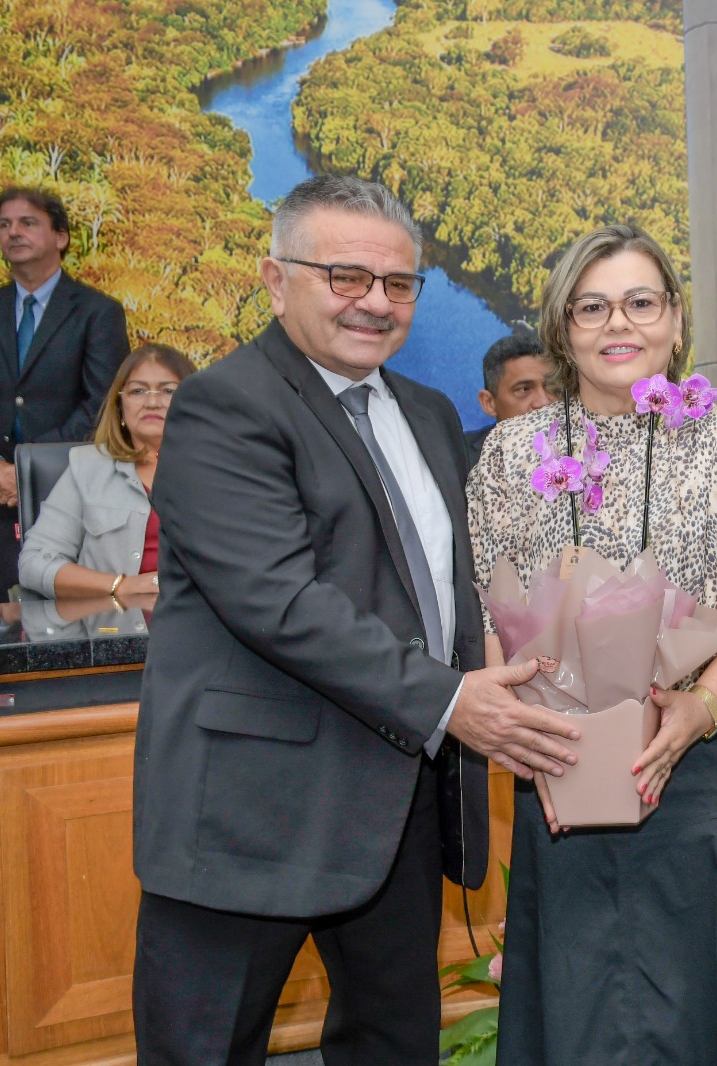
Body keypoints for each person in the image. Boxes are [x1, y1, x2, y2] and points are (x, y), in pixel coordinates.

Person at [131, 175, 581, 1066]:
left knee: (395, 1045)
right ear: (275, 280)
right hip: (250, 813)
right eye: (345, 276)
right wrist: (452, 703)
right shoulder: (226, 405)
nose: (375, 302)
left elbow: (447, 590)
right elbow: (279, 601)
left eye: (398, 282)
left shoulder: (427, 412)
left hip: (397, 804)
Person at [467, 223, 717, 1065]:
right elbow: (486, 609)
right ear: (563, 328)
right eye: (591, 308)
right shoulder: (511, 453)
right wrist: (528, 736)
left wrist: (699, 708)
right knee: (578, 1010)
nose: (617, 323)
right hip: (560, 767)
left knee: (710, 1003)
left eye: (638, 302)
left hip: (701, 765)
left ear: (674, 319)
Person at [0, 186, 131, 588]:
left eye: (27, 222)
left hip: (66, 493)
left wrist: (28, 468)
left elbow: (102, 408)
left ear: (61, 236)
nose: (13, 232)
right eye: (4, 225)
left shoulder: (98, 312)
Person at [18, 343, 195, 599]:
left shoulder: (222, 469)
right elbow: (33, 564)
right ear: (120, 405)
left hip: (200, 617)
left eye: (168, 390)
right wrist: (120, 586)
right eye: (138, 390)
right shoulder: (87, 467)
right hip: (113, 620)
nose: (152, 402)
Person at [465, 330, 556, 466]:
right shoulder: (458, 458)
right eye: (524, 389)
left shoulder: (582, 448)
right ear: (489, 403)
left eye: (552, 386)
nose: (543, 402)